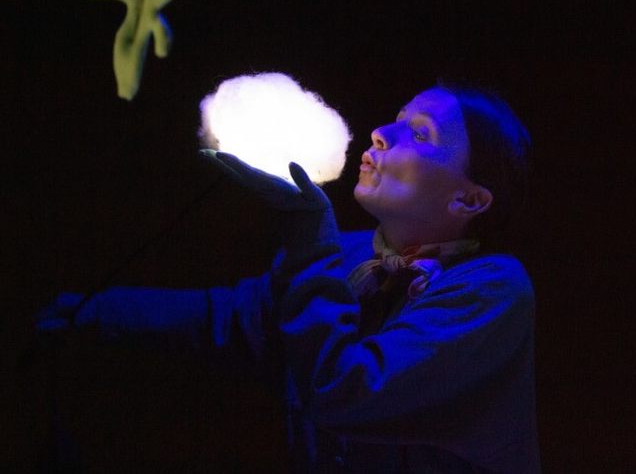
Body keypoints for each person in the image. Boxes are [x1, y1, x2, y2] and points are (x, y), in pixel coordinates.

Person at [38, 85, 539, 473]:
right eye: (397, 117)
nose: (381, 132)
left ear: (468, 200)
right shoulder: (347, 255)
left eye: (421, 133)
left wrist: (308, 236)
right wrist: (88, 312)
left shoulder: (494, 289)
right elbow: (233, 319)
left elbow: (345, 391)